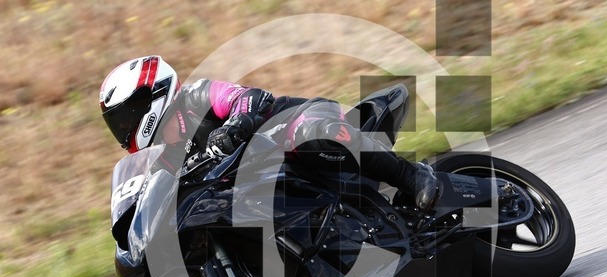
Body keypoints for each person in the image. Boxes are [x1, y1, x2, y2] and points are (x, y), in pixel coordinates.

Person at [100, 55, 438, 209]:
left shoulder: (197, 96)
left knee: (308, 136)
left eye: (125, 119)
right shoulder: (164, 159)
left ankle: (410, 175)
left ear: (150, 98)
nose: (124, 129)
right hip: (268, 188)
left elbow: (248, 97)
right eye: (118, 124)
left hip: (297, 122)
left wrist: (234, 126)